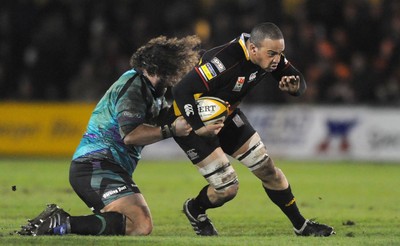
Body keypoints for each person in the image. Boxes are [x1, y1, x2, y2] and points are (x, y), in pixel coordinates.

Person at [17, 35, 200, 236]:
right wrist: (172, 129)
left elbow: (164, 121)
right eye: (172, 70)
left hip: (105, 167)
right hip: (95, 166)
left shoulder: (154, 90)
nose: (174, 76)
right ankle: (60, 223)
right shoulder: (133, 87)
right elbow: (130, 135)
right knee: (140, 225)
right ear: (157, 67)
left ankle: (60, 222)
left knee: (134, 224)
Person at [171, 22, 335, 236]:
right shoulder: (224, 61)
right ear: (253, 49)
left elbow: (298, 80)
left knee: (268, 170)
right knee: (227, 189)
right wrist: (199, 127)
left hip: (227, 115)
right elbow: (181, 90)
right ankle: (195, 209)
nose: (277, 59)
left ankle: (301, 226)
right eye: (272, 54)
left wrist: (295, 89)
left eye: (280, 53)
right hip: (191, 121)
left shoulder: (269, 55)